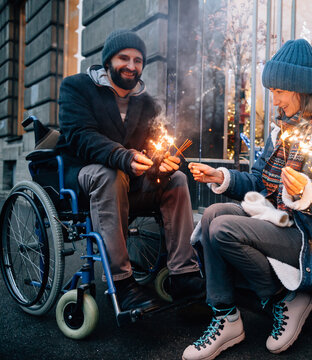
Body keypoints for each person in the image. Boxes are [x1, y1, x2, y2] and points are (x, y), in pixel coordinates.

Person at [183, 39, 312, 360]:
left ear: (301, 89)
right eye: (273, 91)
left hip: (310, 236)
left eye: (280, 91)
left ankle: (283, 300)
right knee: (212, 214)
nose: (274, 99)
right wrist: (221, 177)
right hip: (275, 219)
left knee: (223, 228)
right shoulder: (282, 130)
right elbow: (257, 182)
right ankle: (227, 319)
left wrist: (306, 191)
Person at [55, 29, 204, 312]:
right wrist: (122, 157)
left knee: (177, 179)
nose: (132, 66)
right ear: (108, 60)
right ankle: (122, 283)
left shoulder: (146, 102)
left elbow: (153, 144)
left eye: (138, 60)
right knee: (109, 174)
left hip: (132, 180)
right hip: (88, 176)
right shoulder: (76, 87)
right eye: (124, 58)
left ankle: (184, 276)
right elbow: (81, 135)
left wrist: (164, 161)